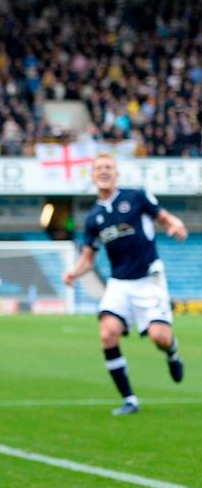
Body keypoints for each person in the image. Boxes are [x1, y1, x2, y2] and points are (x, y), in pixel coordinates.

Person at [62, 153, 187, 416]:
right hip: (119, 283)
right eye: (99, 168)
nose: (104, 171)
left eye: (108, 167)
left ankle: (172, 352)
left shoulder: (136, 197)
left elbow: (163, 217)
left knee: (159, 337)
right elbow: (88, 257)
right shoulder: (94, 217)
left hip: (148, 279)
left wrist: (175, 225)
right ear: (93, 175)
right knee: (107, 333)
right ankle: (130, 399)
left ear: (116, 173)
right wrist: (74, 272)